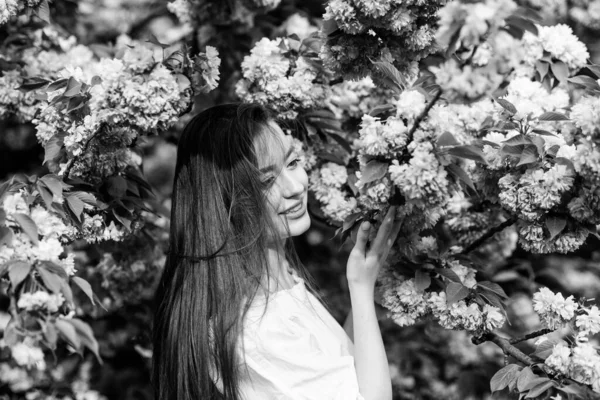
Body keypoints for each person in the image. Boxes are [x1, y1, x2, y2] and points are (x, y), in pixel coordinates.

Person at [152, 103, 402, 400]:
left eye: (293, 162)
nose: (294, 187)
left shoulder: (278, 280)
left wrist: (367, 282)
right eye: (267, 181)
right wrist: (361, 288)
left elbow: (345, 370)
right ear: (225, 202)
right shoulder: (256, 325)